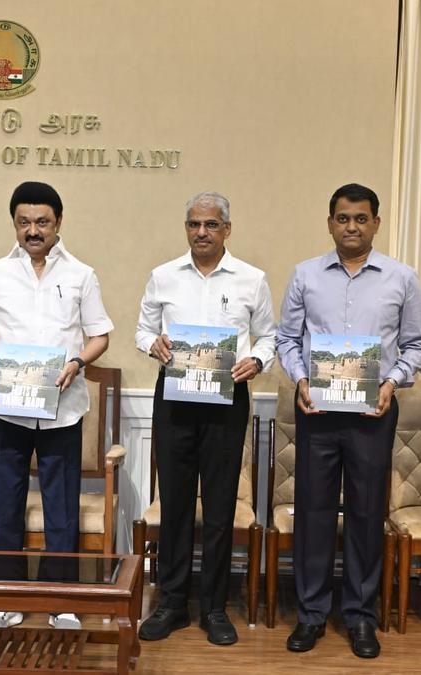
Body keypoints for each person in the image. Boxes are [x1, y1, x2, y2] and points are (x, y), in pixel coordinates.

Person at [275, 183, 421, 658]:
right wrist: (301, 380)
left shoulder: (402, 278)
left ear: (376, 224)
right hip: (318, 412)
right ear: (330, 223)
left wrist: (390, 384)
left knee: (366, 515)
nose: (352, 227)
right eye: (343, 218)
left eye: (361, 218)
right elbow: (286, 339)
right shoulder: (305, 275)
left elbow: (418, 345)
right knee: (315, 514)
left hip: (372, 413)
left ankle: (362, 616)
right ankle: (311, 614)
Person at [0, 181, 113, 631]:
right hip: (8, 410)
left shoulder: (82, 274)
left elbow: (100, 335)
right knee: (4, 507)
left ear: (58, 223)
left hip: (63, 410)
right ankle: (3, 598)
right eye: (24, 222)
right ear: (14, 223)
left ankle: (59, 600)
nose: (33, 230)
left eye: (42, 222)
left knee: (61, 508)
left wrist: (77, 361)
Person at [134, 191, 275, 645]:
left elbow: (269, 336)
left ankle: (215, 607)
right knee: (174, 503)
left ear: (227, 229)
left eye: (211, 225)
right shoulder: (163, 276)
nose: (202, 233)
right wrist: (149, 344)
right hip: (174, 398)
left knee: (219, 507)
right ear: (186, 227)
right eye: (194, 224)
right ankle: (172, 603)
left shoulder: (252, 279)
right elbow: (141, 328)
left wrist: (256, 360)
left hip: (227, 399)